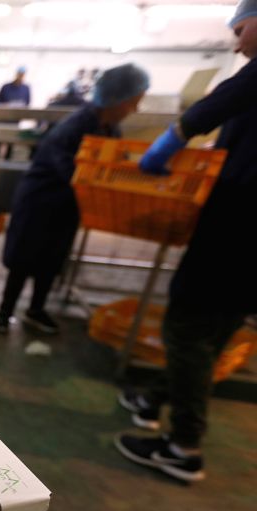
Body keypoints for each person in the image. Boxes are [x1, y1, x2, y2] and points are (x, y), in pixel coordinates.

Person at [114, 0, 257, 483]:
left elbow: (215, 106)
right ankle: (155, 396)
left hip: (238, 231)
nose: (237, 42)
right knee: (214, 330)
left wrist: (172, 137)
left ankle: (183, 446)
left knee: (188, 327)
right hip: (241, 233)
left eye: (241, 29)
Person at [0, 63, 150, 334]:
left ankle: (36, 309)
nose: (133, 110)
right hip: (40, 202)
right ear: (116, 99)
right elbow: (67, 166)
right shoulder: (76, 125)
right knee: (24, 259)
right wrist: (97, 180)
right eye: (132, 103)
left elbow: (112, 162)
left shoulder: (110, 130)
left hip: (68, 206)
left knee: (51, 260)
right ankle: (4, 313)